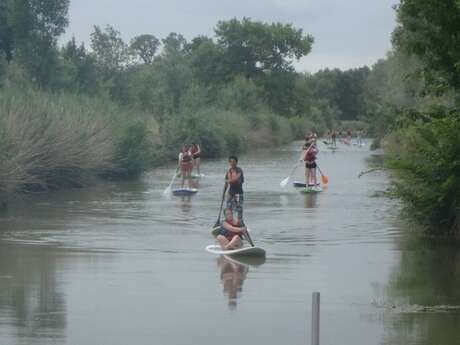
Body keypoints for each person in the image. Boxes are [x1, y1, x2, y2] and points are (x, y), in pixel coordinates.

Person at [225, 156, 244, 223]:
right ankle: (230, 222)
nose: (232, 163)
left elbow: (237, 179)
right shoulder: (228, 171)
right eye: (231, 162)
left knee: (239, 209)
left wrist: (229, 181)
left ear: (236, 162)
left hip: (238, 193)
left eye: (234, 162)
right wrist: (223, 193)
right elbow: (226, 184)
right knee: (228, 208)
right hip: (230, 193)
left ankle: (240, 222)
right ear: (229, 162)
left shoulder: (239, 170)